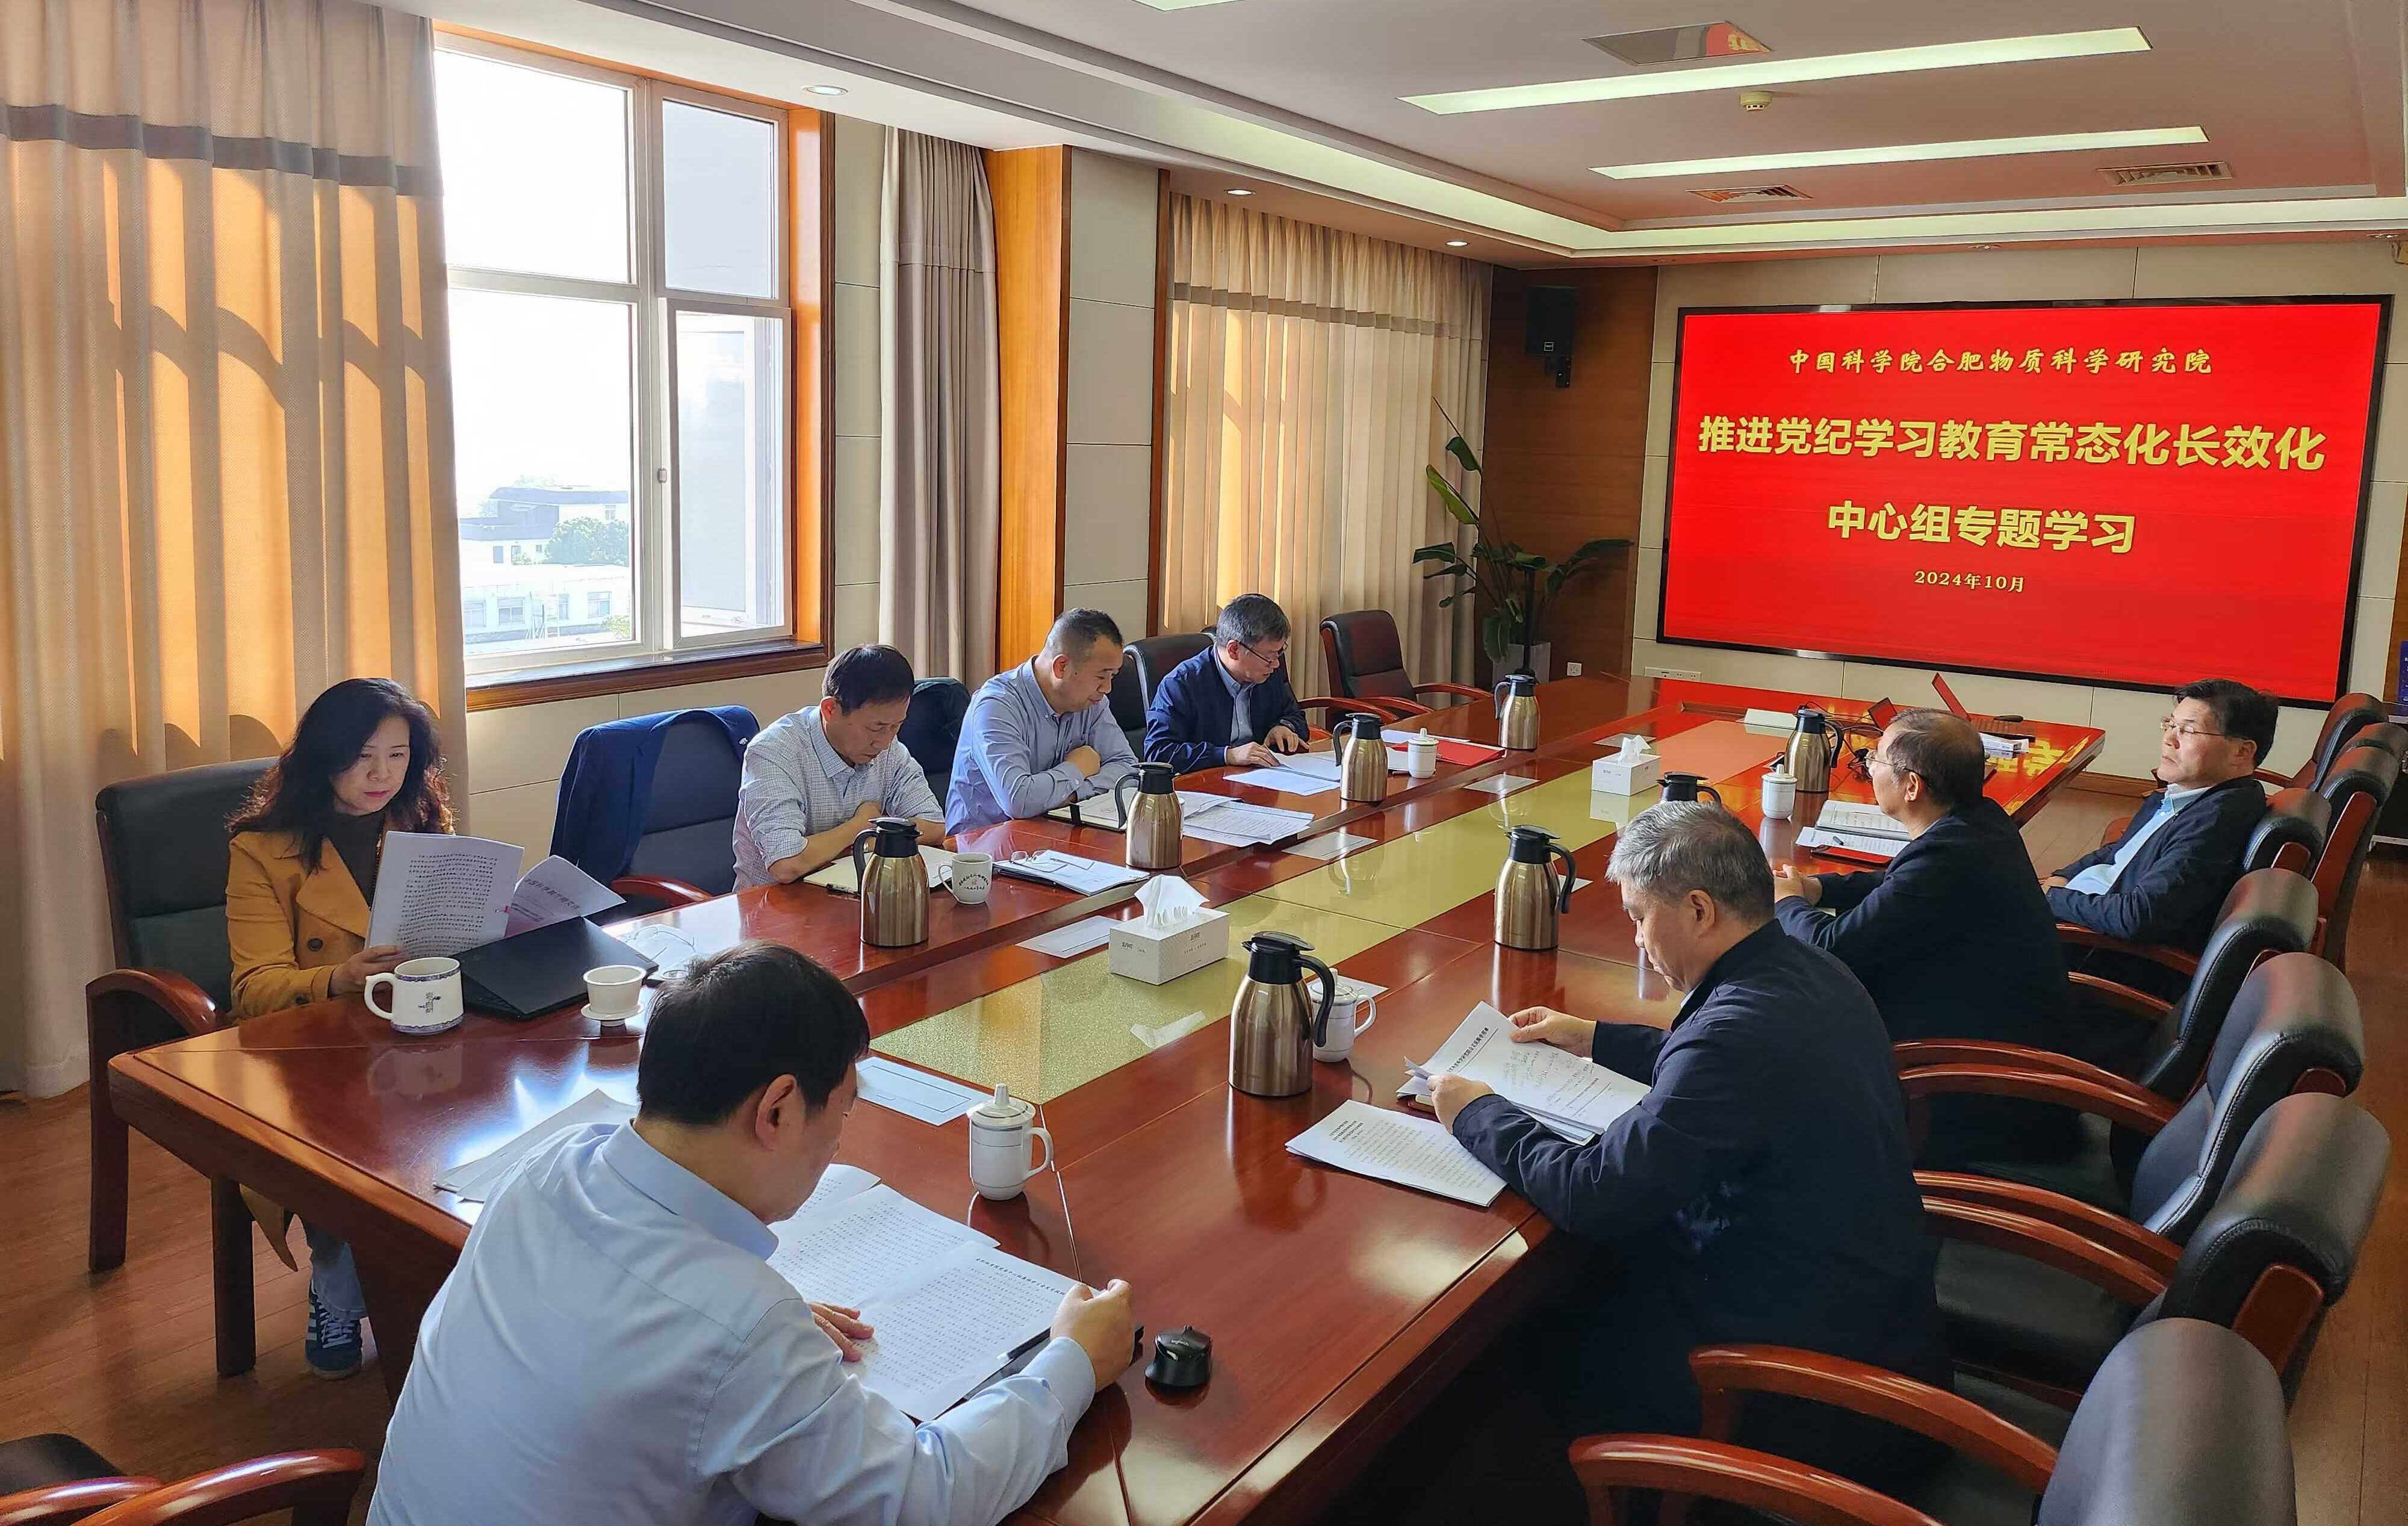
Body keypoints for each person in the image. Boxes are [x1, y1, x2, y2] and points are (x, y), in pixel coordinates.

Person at [368, 941, 1137, 1526]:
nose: (838, 1142)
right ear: (777, 1110)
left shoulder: (548, 1167)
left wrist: (754, 1325)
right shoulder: (739, 1326)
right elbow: (925, 1497)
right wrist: (1073, 1361)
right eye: (842, 1116)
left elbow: (635, 1309)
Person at [1427, 803, 1947, 1492]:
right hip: (1862, 1313)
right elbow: (1715, 1067)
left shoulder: (1734, 1034)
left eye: (1640, 917)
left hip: (1795, 1381)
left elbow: (1595, 1192)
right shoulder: (1807, 969)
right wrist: (1593, 1037)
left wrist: (1476, 1114)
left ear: (1699, 910)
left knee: (1524, 1346)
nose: (1637, 939)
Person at [225, 677, 454, 1379]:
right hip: (311, 1046)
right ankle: (336, 1287)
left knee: (490, 1111)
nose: (382, 774)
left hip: (413, 1028)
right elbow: (252, 988)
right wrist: (338, 977)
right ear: (325, 756)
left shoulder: (419, 825)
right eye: (362, 757)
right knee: (354, 1132)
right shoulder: (262, 850)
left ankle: (450, 1282)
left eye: (398, 756)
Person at [1771, 709, 2081, 1164]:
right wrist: (1818, 888)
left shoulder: (1948, 855)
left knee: (1788, 1034)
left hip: (1980, 1093)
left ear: (1912, 786)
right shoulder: (1979, 822)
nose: (1867, 767)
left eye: (1875, 759)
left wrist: (1785, 903)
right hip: (1995, 1053)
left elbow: (1831, 949)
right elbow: (1900, 885)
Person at [2046, 679, 2273, 971]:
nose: (2169, 739)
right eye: (2170, 724)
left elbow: (2138, 917)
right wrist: (2063, 877)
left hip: (2091, 953)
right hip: (2081, 916)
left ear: (2242, 752)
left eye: (2188, 730)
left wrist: (2053, 898)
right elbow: (2119, 852)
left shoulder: (2214, 822)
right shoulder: (2187, 796)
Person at [734, 644, 945, 889]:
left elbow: (934, 826)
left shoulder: (888, 749)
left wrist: (868, 842)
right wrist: (861, 826)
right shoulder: (774, 752)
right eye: (876, 728)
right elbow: (787, 863)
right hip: (773, 904)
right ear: (831, 709)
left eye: (896, 726)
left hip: (852, 896)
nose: (885, 742)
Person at [945, 608, 1137, 834]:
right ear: (1062, 667)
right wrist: (1077, 768)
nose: (1107, 688)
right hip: (982, 844)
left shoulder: (1092, 703)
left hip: (1055, 834)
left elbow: (1129, 770)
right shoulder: (997, 705)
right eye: (1101, 676)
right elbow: (1018, 800)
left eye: (1112, 676)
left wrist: (1074, 792)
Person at [1143, 594, 1311, 774]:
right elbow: (1158, 753)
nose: (1276, 664)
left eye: (1279, 653)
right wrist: (1227, 755)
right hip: (1207, 783)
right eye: (1269, 657)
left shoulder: (1267, 671)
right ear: (1234, 650)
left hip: (1264, 777)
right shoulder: (1181, 685)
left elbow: (1295, 715)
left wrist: (1284, 727)